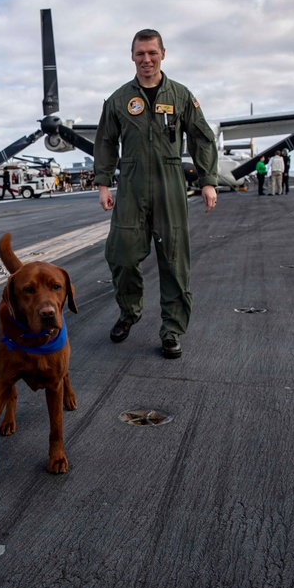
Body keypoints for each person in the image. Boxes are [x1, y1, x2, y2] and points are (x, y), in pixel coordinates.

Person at [93, 28, 218, 360]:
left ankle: (172, 330)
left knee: (175, 260)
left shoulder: (180, 96)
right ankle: (129, 312)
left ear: (163, 53)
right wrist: (104, 183)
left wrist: (207, 180)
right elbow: (105, 141)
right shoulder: (118, 100)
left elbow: (203, 137)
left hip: (170, 182)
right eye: (140, 53)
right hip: (131, 184)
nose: (146, 59)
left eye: (152, 53)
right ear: (131, 56)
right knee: (120, 255)